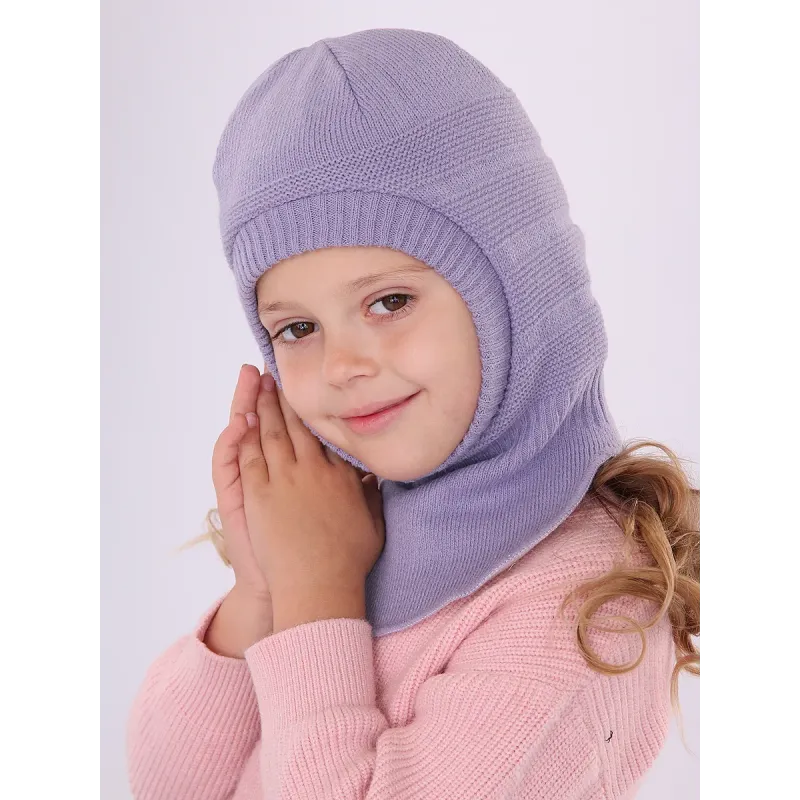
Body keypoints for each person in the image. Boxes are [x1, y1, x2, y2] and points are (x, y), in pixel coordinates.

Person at [126, 27, 700, 799]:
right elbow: (169, 786)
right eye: (297, 328)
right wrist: (262, 588)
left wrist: (318, 594)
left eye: (390, 301)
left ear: (521, 289)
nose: (341, 365)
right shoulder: (352, 528)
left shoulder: (584, 614)